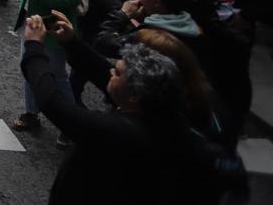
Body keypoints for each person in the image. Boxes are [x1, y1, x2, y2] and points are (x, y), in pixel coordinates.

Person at [20, 13, 243, 205]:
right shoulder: (162, 103)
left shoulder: (124, 131)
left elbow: (55, 105)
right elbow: (102, 70)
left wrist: (34, 48)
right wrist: (72, 42)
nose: (111, 72)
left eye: (119, 71)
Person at [10, 0, 84, 135]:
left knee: (57, 75)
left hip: (53, 26)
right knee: (30, 67)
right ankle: (31, 112)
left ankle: (71, 124)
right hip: (33, 20)